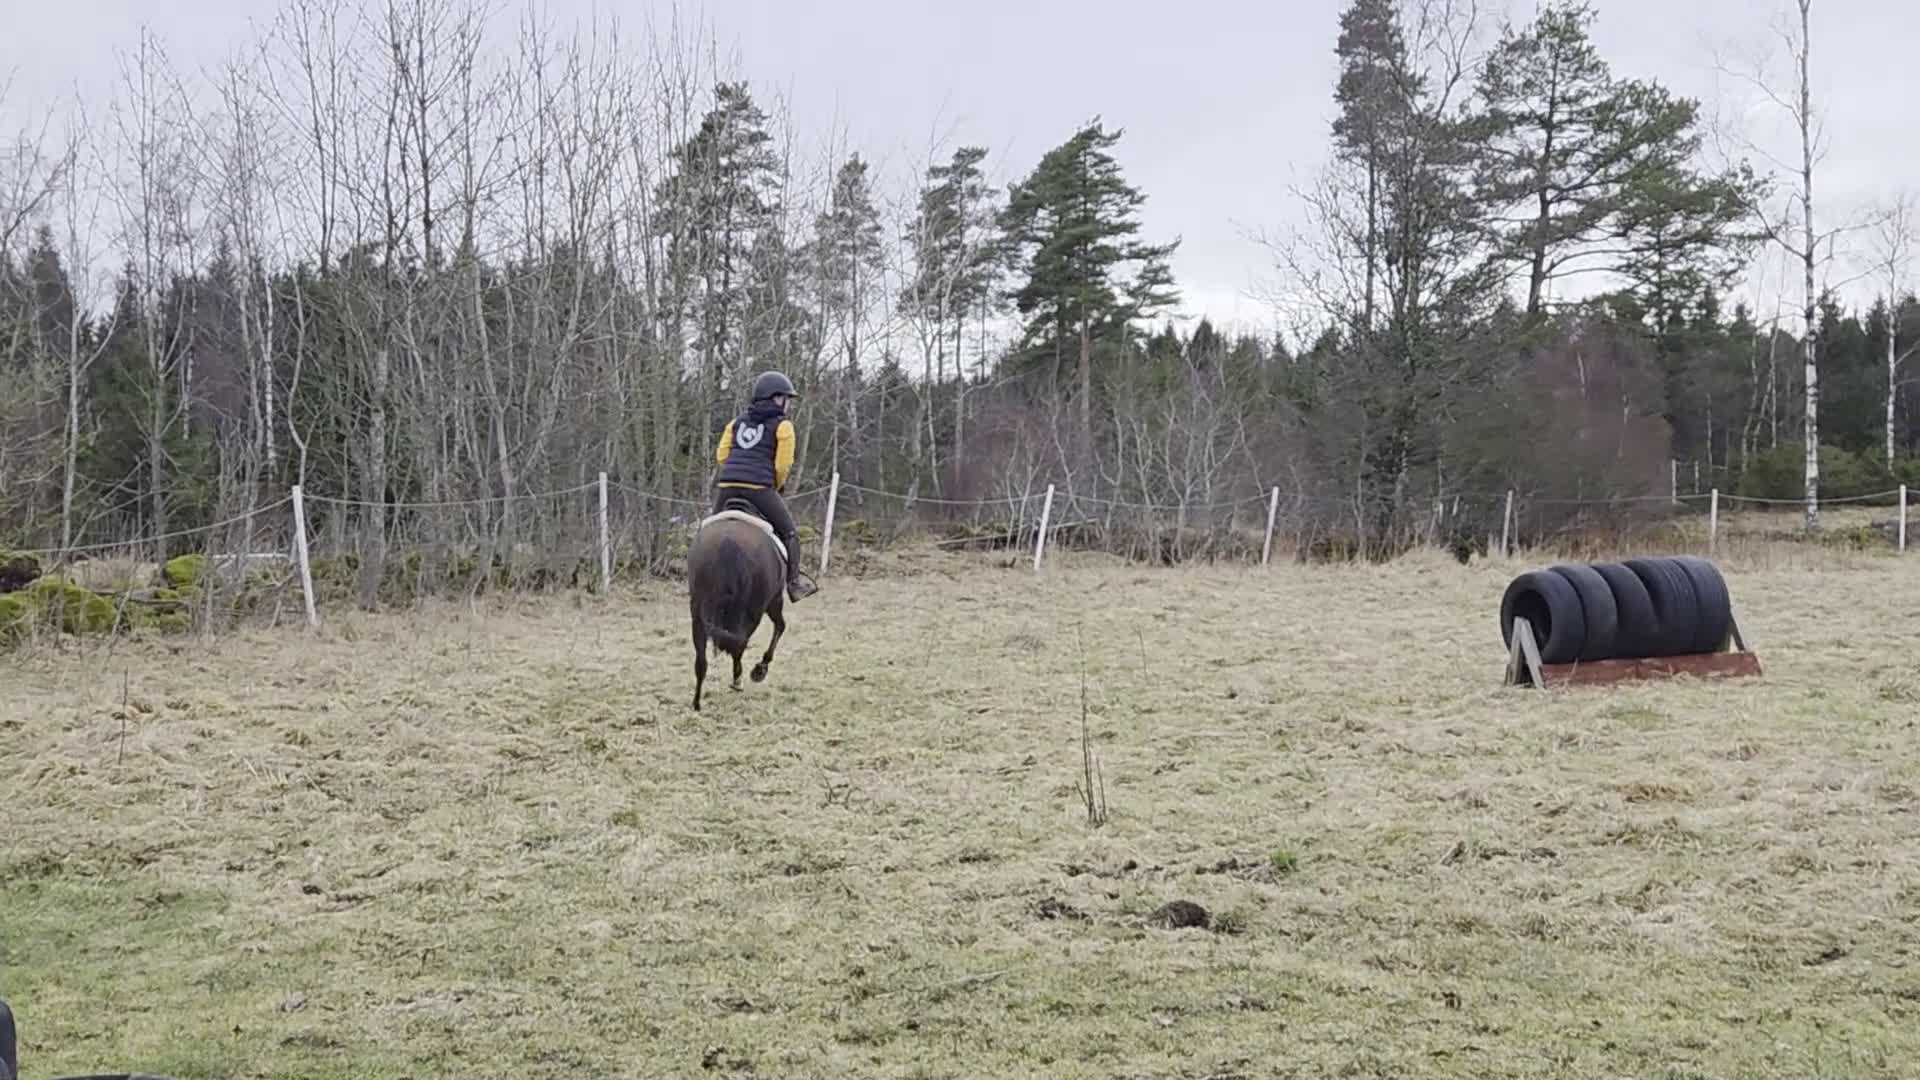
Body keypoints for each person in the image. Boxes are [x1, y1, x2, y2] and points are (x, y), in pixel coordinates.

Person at [712, 370, 817, 601]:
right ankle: (794, 583)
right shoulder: (784, 426)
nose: (788, 404)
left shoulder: (735, 423)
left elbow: (721, 456)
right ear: (776, 398)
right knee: (789, 532)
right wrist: (775, 486)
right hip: (759, 488)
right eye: (786, 399)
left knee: (706, 532)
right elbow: (783, 464)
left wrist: (734, 473)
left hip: (727, 486)